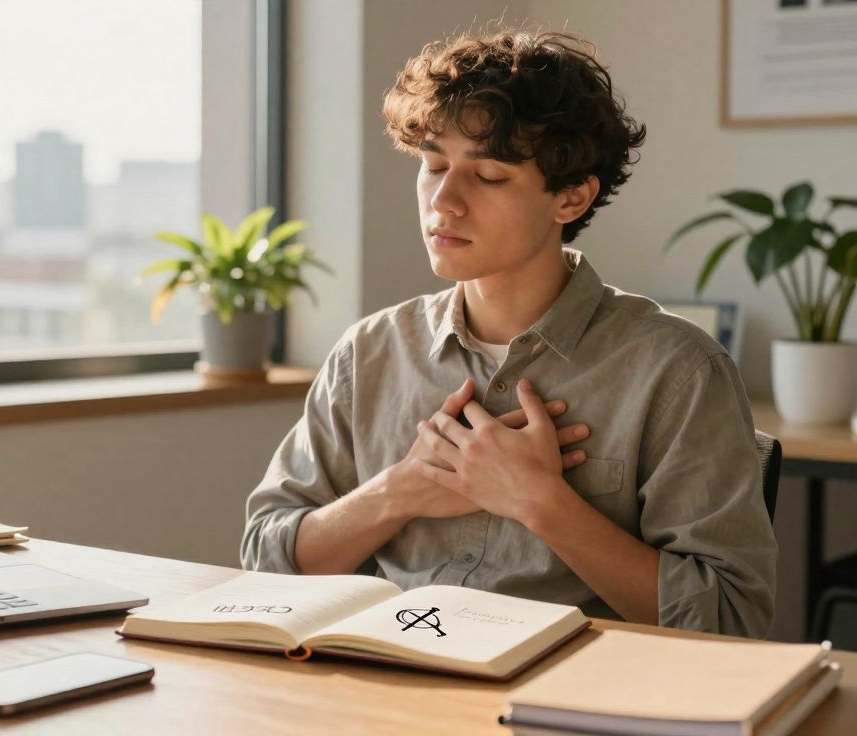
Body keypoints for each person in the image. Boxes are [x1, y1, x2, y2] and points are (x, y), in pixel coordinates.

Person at [239, 29, 776, 638]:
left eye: (488, 176)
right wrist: (402, 489)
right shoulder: (369, 353)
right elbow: (265, 565)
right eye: (433, 165)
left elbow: (732, 623)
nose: (444, 200)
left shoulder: (677, 371)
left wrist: (539, 501)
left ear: (571, 198)